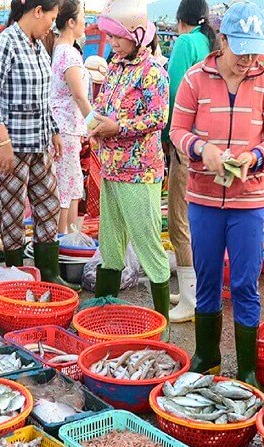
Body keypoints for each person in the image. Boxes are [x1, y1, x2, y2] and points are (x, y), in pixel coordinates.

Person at [171, 1, 264, 387]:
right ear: (221, 41)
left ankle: (248, 368)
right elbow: (177, 130)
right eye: (241, 50)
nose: (248, 59)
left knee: (244, 283)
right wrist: (203, 150)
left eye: (254, 50)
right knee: (206, 280)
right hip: (203, 198)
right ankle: (207, 357)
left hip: (249, 202)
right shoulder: (194, 79)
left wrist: (254, 156)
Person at [0, 0, 77, 288]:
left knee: (48, 205)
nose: (52, 24)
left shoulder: (38, 46)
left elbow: (43, 99)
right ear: (37, 12)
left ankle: (48, 274)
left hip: (39, 143)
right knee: (11, 213)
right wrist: (3, 142)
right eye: (51, 17)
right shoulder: (6, 42)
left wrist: (55, 131)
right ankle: (16, 277)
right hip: (13, 145)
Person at [90, 0, 172, 334]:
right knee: (109, 242)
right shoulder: (116, 67)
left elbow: (158, 118)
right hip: (110, 169)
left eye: (117, 38)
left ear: (136, 35)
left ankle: (162, 326)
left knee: (148, 244)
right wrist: (94, 125)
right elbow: (102, 105)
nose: (113, 44)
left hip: (140, 173)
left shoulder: (153, 72)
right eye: (110, 38)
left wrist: (116, 127)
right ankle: (100, 316)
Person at [164, 0, 217, 323]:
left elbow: (173, 92)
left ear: (180, 20)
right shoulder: (208, 42)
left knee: (179, 219)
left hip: (187, 143)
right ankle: (195, 289)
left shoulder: (184, 42)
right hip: (210, 143)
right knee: (199, 218)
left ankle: (190, 298)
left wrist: (168, 137)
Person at [49, 0, 93, 235]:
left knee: (64, 186)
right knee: (68, 188)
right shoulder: (70, 54)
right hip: (66, 129)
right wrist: (95, 125)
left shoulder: (58, 49)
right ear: (71, 22)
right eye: (83, 16)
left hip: (62, 127)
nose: (86, 22)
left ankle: (64, 239)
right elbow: (79, 95)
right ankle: (65, 241)